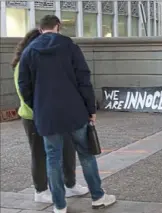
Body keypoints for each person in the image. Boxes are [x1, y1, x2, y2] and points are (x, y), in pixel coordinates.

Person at [18, 15, 116, 213]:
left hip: (47, 114)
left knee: (52, 159)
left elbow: (24, 86)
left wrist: (38, 107)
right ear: (58, 27)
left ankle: (59, 206)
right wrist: (91, 109)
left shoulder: (29, 52)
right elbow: (83, 79)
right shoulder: (70, 47)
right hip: (75, 111)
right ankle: (98, 197)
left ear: (40, 28)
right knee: (86, 155)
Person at [12, 29, 89, 204]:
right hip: (33, 117)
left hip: (53, 113)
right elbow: (25, 93)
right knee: (39, 153)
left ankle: (70, 184)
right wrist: (41, 109)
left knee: (68, 149)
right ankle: (40, 190)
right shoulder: (23, 63)